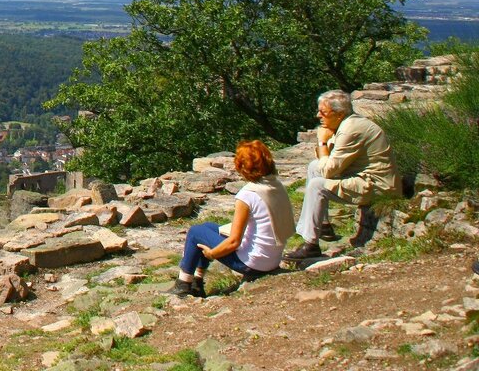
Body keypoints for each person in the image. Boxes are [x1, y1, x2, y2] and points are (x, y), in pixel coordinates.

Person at [170, 140, 295, 297]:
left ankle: (183, 284)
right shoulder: (276, 185)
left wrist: (212, 254)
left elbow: (234, 241)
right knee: (208, 227)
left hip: (252, 263)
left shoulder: (249, 194)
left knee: (196, 232)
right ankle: (197, 281)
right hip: (272, 258)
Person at [285, 90, 397, 260]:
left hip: (378, 186)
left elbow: (330, 169)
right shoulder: (346, 124)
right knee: (315, 167)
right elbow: (328, 162)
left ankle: (310, 244)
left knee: (317, 185)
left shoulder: (350, 130)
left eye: (323, 112)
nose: (318, 115)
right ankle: (323, 226)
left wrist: (322, 141)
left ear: (339, 114)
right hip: (365, 178)